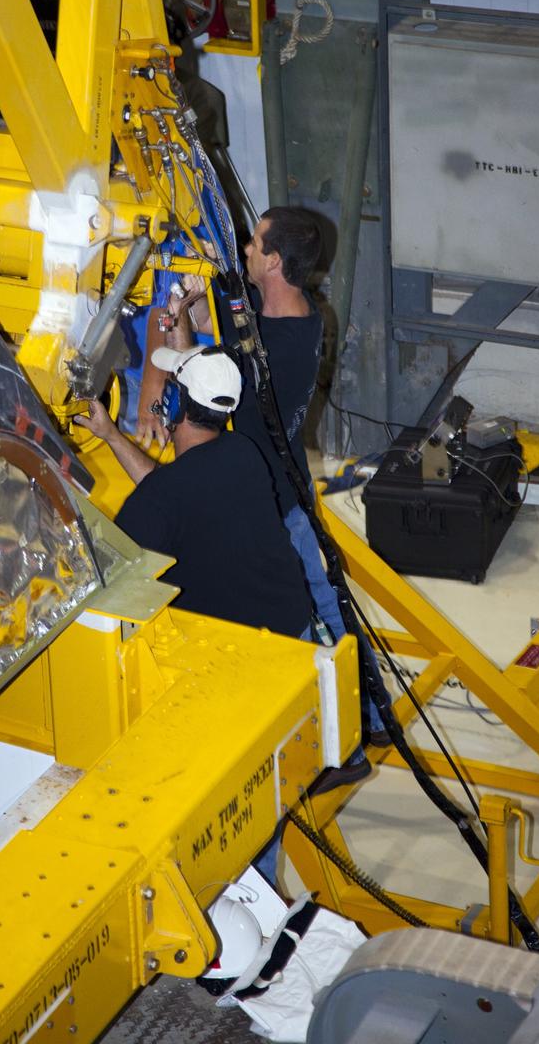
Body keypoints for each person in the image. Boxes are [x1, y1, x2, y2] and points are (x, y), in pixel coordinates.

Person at [167, 207, 387, 752]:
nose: (245, 247)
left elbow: (206, 373)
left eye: (254, 243)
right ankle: (375, 712)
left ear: (274, 260)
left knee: (309, 606)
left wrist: (185, 320)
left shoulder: (270, 350)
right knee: (327, 596)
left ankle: (351, 730)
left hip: (270, 502)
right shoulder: (304, 315)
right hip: (291, 487)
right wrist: (216, 284)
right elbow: (245, 313)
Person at [74, 344, 313, 636]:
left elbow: (103, 578)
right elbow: (176, 489)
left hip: (238, 655)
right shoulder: (243, 451)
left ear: (176, 402)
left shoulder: (160, 499)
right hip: (294, 628)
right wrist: (111, 435)